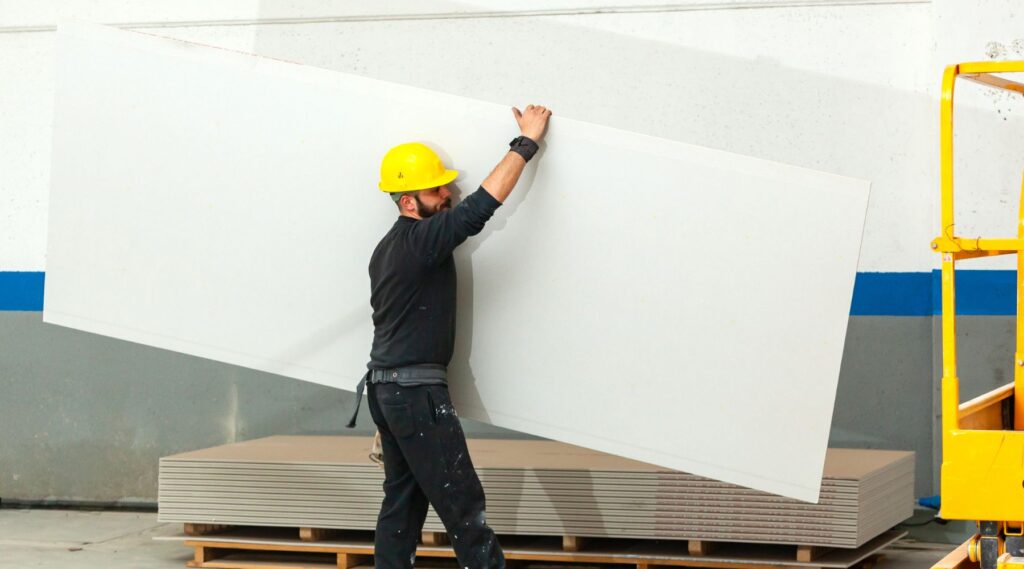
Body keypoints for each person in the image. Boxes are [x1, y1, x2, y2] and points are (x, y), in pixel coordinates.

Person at [346, 105, 552, 569]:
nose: (447, 192)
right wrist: (526, 142)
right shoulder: (420, 242)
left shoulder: (389, 248)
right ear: (407, 202)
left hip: (389, 390)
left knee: (403, 506)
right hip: (414, 395)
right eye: (436, 188)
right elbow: (481, 206)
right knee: (463, 506)